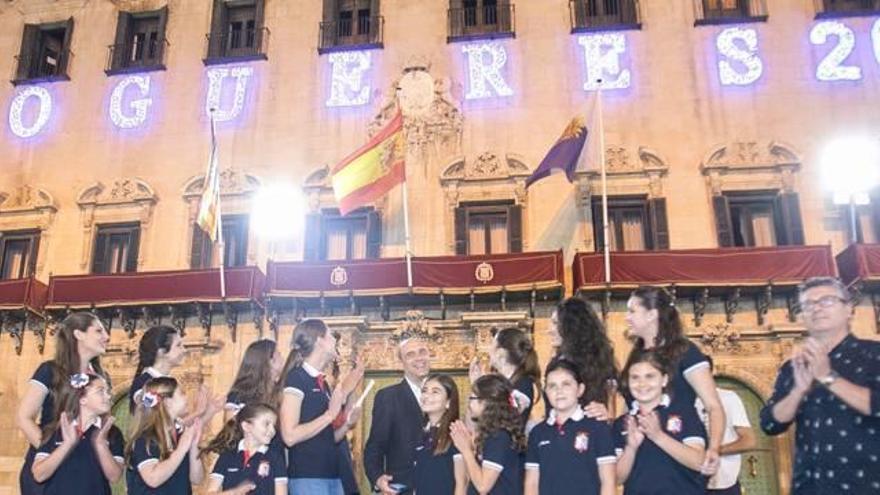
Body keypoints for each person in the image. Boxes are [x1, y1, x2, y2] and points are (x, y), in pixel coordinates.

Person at [759, 276, 880, 494]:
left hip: (867, 483)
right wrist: (797, 391)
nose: (817, 308)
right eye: (808, 304)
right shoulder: (793, 367)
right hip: (810, 485)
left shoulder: (874, 354)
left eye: (827, 301)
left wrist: (828, 377)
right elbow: (770, 423)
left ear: (848, 309)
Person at [624, 286, 724, 474]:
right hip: (641, 453)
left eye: (632, 311)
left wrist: (714, 448)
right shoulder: (634, 356)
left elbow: (713, 406)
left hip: (680, 446)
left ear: (651, 314)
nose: (626, 317)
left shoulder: (685, 352)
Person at [16, 311, 109, 495]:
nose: (106, 337)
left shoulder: (103, 379)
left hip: (87, 470)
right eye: (99, 331)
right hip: (51, 470)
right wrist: (55, 453)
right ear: (78, 334)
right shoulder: (50, 370)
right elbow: (23, 417)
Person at [279, 319, 362, 495]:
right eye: (332, 335)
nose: (335, 340)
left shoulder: (323, 384)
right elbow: (289, 436)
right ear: (319, 340)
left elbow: (328, 438)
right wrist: (329, 416)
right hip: (308, 477)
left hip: (332, 475)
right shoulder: (296, 378)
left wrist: (347, 424)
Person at [613, 351, 707, 495]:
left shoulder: (685, 412)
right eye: (635, 378)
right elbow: (617, 479)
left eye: (650, 376)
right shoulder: (622, 423)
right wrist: (631, 448)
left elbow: (699, 462)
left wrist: (658, 436)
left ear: (664, 380)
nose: (642, 384)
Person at [525, 357, 616, 495]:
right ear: (546, 392)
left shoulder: (598, 427)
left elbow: (608, 482)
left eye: (566, 384)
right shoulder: (538, 433)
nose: (559, 391)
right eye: (552, 386)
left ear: (580, 389)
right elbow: (532, 484)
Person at [32, 373, 124, 495]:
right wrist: (67, 444)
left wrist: (101, 444)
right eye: (101, 391)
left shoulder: (113, 433)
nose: (108, 396)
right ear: (82, 399)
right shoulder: (55, 430)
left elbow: (115, 477)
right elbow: (39, 475)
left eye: (107, 391)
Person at [364, 336, 432, 494]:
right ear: (401, 362)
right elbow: (375, 445)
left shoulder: (445, 392)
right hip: (404, 487)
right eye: (410, 354)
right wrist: (377, 478)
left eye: (422, 352)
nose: (419, 358)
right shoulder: (388, 397)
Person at [126, 376, 205, 495]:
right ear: (168, 402)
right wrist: (182, 448)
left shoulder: (180, 433)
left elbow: (197, 479)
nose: (186, 397)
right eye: (182, 393)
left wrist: (194, 445)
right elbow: (153, 479)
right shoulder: (146, 438)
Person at [450, 374, 526, 495]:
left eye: (472, 398)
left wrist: (466, 450)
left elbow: (483, 486)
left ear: (487, 402)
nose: (469, 403)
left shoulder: (499, 437)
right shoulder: (492, 434)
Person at [547, 297, 618, 419]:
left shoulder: (600, 363)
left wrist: (608, 414)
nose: (549, 330)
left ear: (571, 326)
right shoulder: (557, 362)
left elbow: (611, 409)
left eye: (555, 323)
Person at [696, 357, 756, 495]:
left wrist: (714, 451)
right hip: (690, 483)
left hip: (724, 485)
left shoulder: (728, 398)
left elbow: (748, 441)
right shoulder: (682, 401)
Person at [204, 403, 287, 495]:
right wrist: (235, 492)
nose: (272, 430)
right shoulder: (227, 456)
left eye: (274, 426)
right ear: (246, 426)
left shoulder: (275, 457)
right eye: (266, 424)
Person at [470, 327, 541, 427]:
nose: (489, 350)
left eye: (492, 345)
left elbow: (504, 421)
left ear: (500, 353)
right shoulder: (503, 383)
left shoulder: (523, 384)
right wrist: (478, 387)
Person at [412, 374, 466, 495]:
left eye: (435, 392)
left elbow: (462, 483)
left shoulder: (455, 432)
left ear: (448, 402)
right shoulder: (422, 433)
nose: (427, 396)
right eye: (424, 391)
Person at [128, 325, 186, 413]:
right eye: (178, 345)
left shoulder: (169, 382)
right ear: (161, 352)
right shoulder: (143, 383)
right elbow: (149, 416)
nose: (184, 350)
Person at [224, 339, 286, 420]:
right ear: (270, 361)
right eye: (279, 354)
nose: (283, 359)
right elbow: (231, 428)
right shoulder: (238, 395)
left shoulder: (281, 391)